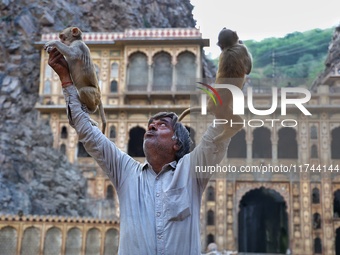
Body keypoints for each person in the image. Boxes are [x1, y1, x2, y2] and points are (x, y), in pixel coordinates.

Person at [48, 48, 232, 255]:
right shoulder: (127, 172)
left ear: (177, 143)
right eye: (150, 125)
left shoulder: (190, 173)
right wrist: (65, 79)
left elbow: (217, 136)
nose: (151, 127)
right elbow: (87, 133)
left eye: (162, 125)